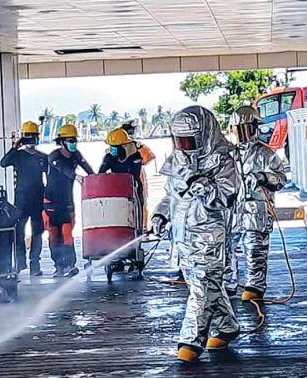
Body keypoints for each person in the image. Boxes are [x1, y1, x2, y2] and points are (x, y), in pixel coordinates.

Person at [150, 105, 240, 362]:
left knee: (201, 291)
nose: (184, 146)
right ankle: (226, 327)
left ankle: (190, 340)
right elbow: (171, 196)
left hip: (209, 238)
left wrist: (204, 186)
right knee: (205, 286)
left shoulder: (223, 160)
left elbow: (226, 197)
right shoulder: (177, 160)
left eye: (189, 140)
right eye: (179, 140)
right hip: (182, 239)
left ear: (204, 135)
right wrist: (160, 215)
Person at [226, 106, 287, 301]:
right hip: (232, 211)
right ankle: (228, 283)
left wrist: (263, 177)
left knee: (255, 250)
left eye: (247, 128)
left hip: (256, 212)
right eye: (239, 129)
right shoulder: (228, 155)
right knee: (227, 248)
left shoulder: (266, 154)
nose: (243, 133)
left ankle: (255, 285)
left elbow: (281, 179)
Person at [43, 124, 94, 278]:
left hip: (67, 202)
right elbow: (63, 170)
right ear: (62, 142)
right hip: (51, 201)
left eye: (74, 140)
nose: (73, 143)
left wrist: (95, 178)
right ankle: (59, 265)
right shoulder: (54, 157)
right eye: (70, 140)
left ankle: (70, 264)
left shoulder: (76, 155)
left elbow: (87, 168)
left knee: (67, 233)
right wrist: (76, 176)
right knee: (53, 235)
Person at [0, 121, 48, 275]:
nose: (31, 140)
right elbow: (3, 163)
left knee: (37, 232)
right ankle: (20, 263)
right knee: (18, 231)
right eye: (28, 137)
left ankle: (35, 264)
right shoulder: (18, 156)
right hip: (21, 200)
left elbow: (49, 178)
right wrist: (15, 146)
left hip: (38, 200)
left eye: (33, 137)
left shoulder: (43, 157)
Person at [99, 128, 144, 230]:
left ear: (124, 146)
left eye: (115, 147)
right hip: (116, 192)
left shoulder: (135, 157)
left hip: (133, 191)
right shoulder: (110, 157)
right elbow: (100, 174)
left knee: (134, 220)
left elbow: (133, 176)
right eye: (111, 147)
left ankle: (137, 241)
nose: (112, 149)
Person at [121, 122, 155, 228]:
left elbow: (149, 157)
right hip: (124, 178)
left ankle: (142, 227)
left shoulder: (138, 145)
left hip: (136, 178)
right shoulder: (136, 146)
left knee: (140, 203)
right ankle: (138, 227)